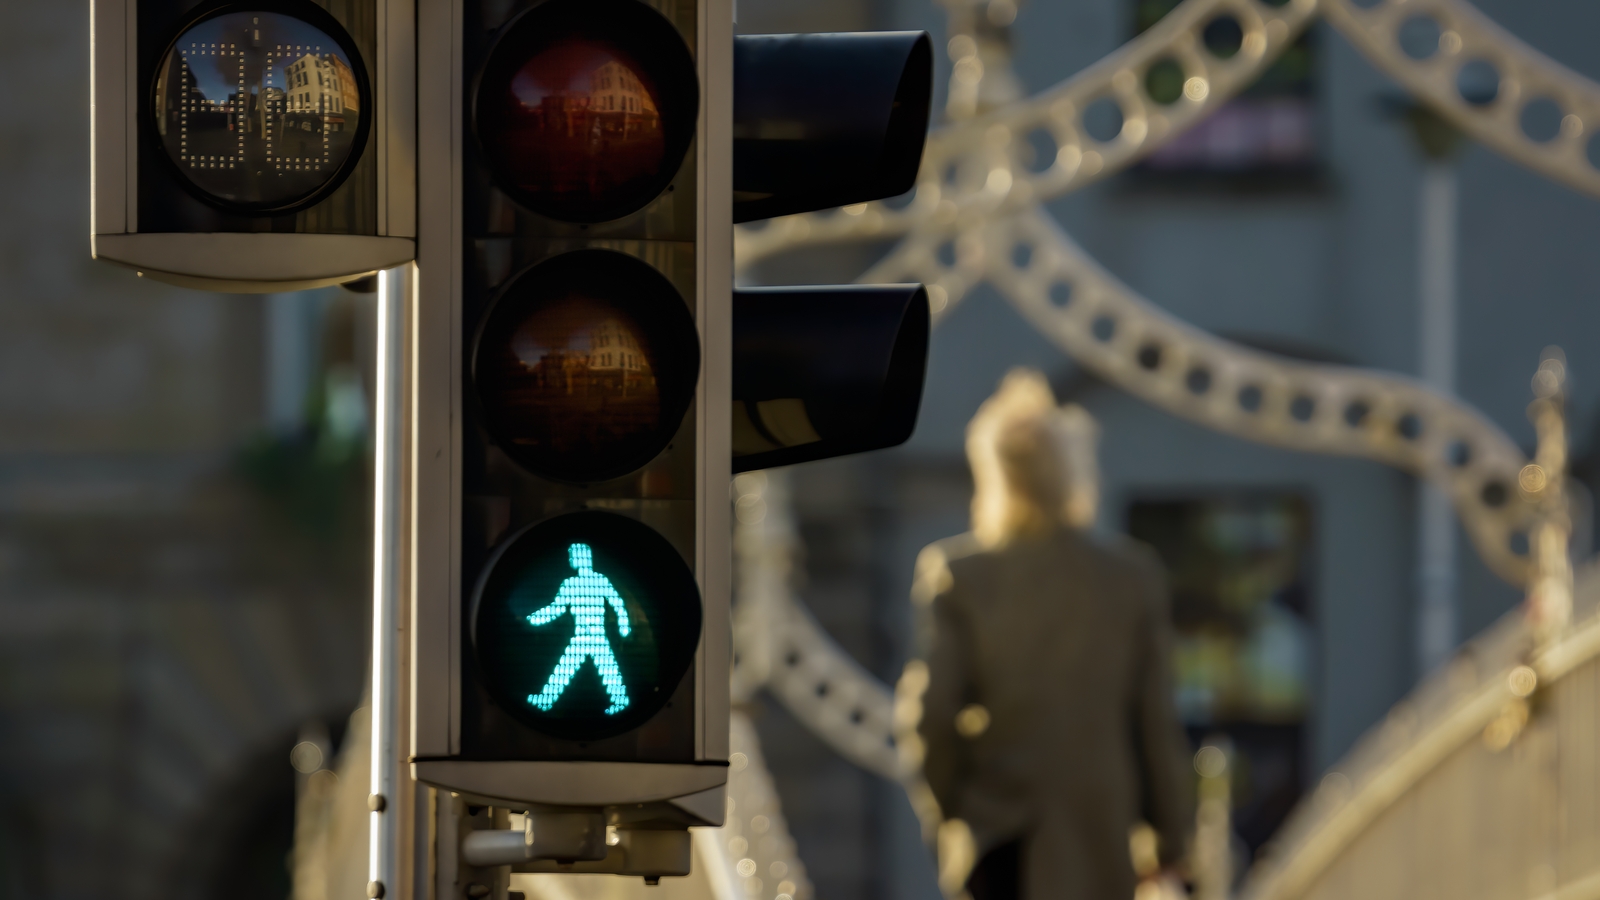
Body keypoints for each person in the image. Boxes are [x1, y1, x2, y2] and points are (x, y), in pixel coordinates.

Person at [910, 369, 1193, 900]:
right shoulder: (1130, 578)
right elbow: (1155, 722)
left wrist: (955, 810)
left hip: (1000, 836)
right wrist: (1172, 841)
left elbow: (934, 715)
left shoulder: (960, 577)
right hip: (1099, 834)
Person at [525, 542, 633, 715]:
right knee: (566, 669)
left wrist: (624, 624)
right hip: (582, 637)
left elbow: (617, 602)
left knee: (608, 671)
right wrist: (537, 618)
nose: (570, 560)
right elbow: (557, 608)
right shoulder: (570, 583)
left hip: (596, 636)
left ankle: (620, 702)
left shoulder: (599, 580)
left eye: (573, 556)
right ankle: (545, 700)